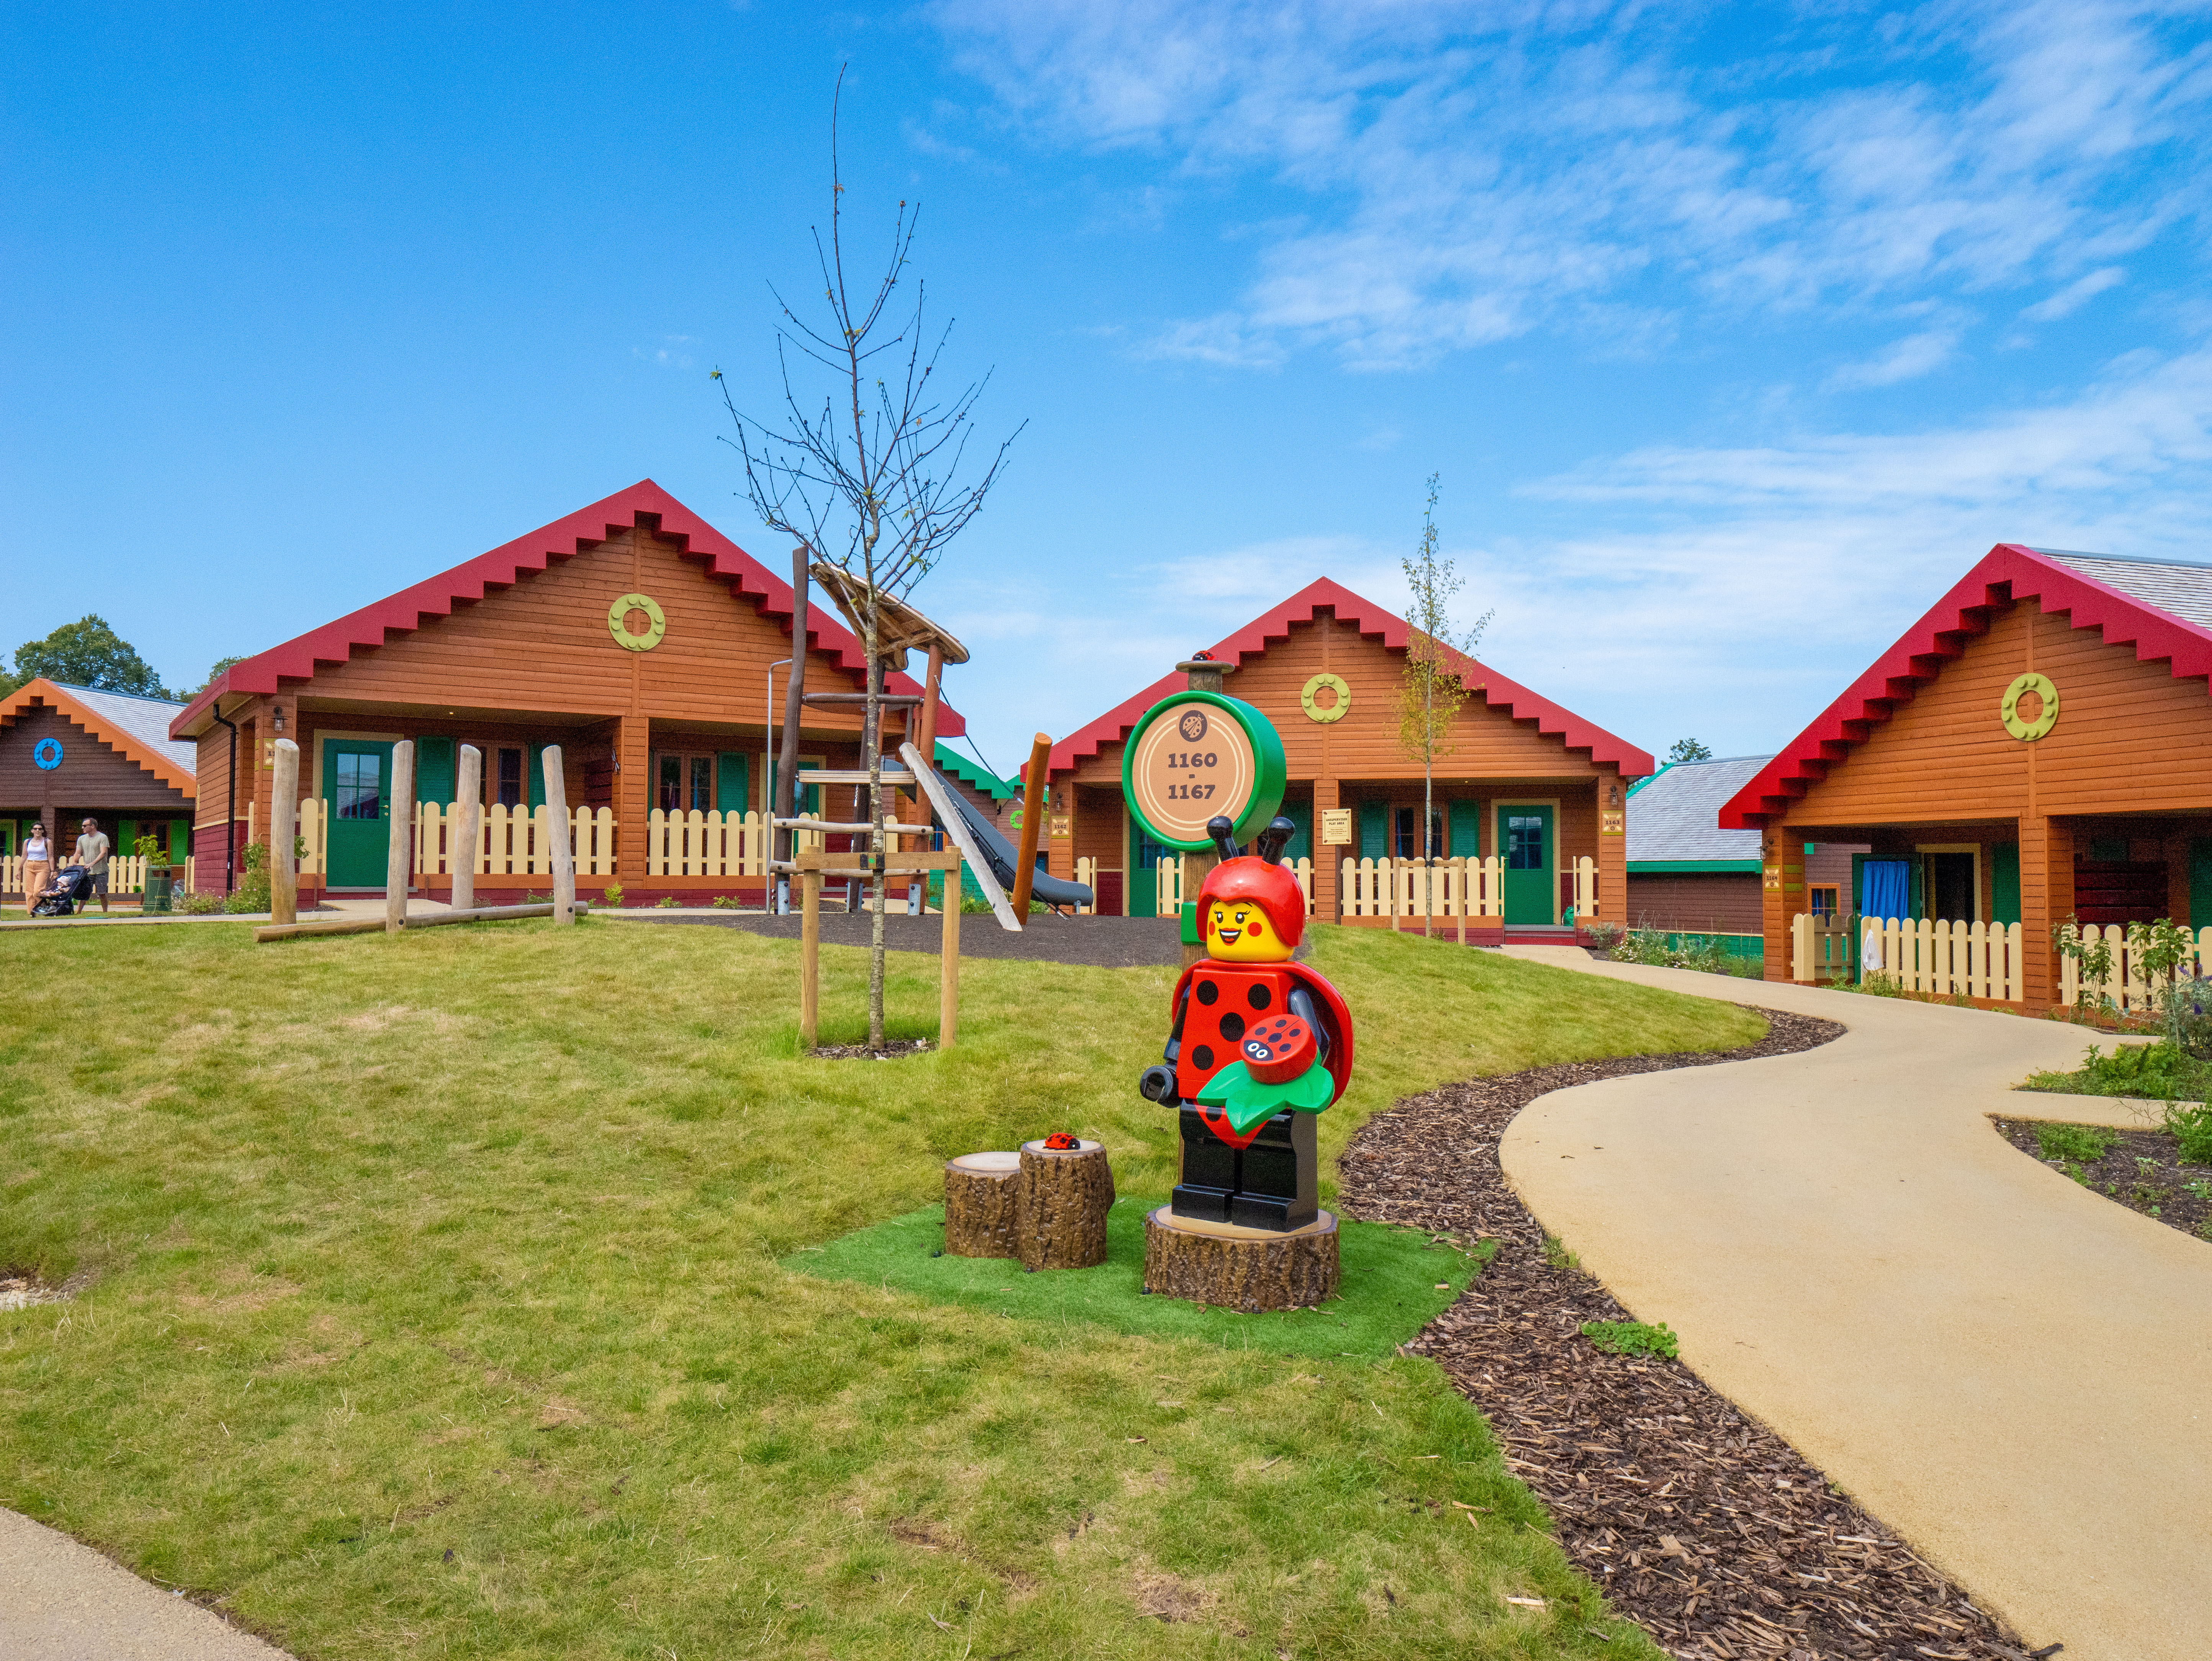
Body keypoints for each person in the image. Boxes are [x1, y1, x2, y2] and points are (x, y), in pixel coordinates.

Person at [73, 817, 111, 915]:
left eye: (85, 826)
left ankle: (105, 912)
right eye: (83, 826)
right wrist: (75, 862)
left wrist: (92, 863)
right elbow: (78, 852)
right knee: (84, 892)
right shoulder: (81, 839)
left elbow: (103, 853)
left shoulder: (102, 837)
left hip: (101, 871)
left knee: (102, 893)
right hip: (88, 871)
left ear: (93, 826)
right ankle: (79, 913)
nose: (83, 828)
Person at [21, 821, 52, 914]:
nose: (38, 830)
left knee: (38, 890)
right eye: (36, 829)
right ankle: (31, 912)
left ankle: (43, 909)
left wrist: (53, 870)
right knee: (29, 891)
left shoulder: (47, 842)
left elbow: (51, 857)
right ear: (32, 831)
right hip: (30, 865)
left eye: (40, 829)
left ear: (43, 831)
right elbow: (24, 856)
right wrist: (19, 870)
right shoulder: (27, 842)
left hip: (43, 866)